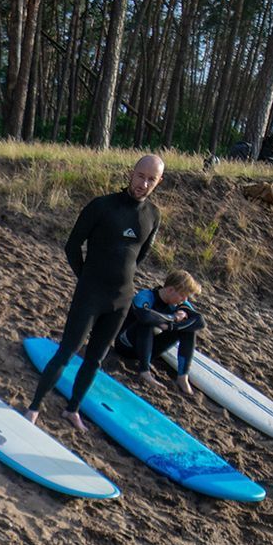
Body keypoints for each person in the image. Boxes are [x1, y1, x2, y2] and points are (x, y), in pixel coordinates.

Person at [25, 155, 164, 431]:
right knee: (67, 351)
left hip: (121, 300)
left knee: (95, 360)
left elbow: (140, 255)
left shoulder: (153, 215)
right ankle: (34, 407)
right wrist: (86, 277)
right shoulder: (101, 206)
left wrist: (119, 280)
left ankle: (72, 409)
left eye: (151, 179)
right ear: (132, 173)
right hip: (90, 294)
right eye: (141, 176)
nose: (144, 184)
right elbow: (72, 246)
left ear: (159, 181)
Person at [116, 270, 204, 397]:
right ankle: (145, 372)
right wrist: (173, 317)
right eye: (182, 295)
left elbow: (200, 321)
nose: (184, 300)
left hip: (149, 351)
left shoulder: (179, 304)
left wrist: (171, 325)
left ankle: (182, 377)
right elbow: (145, 316)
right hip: (125, 345)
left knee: (189, 329)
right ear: (170, 290)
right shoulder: (146, 296)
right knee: (147, 322)